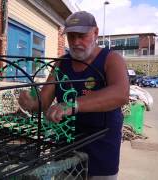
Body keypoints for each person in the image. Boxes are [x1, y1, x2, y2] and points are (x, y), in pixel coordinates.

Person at [18, 11, 129, 180]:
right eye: (71, 36)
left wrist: (71, 105)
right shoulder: (61, 63)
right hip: (66, 146)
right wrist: (30, 103)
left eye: (82, 36)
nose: (76, 42)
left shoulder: (111, 59)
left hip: (101, 148)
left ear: (95, 33)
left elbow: (121, 94)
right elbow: (44, 102)